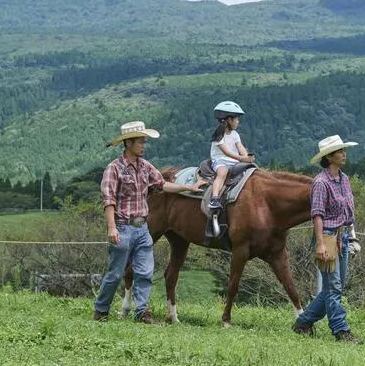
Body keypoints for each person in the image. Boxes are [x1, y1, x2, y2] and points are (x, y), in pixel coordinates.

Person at [94, 121, 204, 323]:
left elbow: (162, 185)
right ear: (128, 143)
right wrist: (111, 227)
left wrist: (190, 188)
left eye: (145, 142)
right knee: (116, 273)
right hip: (122, 226)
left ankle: (142, 312)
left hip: (142, 227)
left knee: (144, 272)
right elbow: (108, 200)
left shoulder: (145, 167)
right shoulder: (114, 169)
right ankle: (101, 310)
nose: (144, 146)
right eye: (140, 142)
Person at [293, 135, 363, 343]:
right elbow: (317, 214)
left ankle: (304, 322)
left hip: (342, 236)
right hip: (328, 237)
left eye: (343, 151)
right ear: (329, 157)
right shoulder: (321, 183)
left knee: (335, 287)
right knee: (334, 288)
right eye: (340, 152)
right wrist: (321, 243)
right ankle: (341, 331)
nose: (344, 154)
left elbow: (348, 213)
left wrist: (352, 237)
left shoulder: (345, 179)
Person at [208, 101, 254, 210]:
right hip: (220, 161)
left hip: (234, 161)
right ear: (229, 120)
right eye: (237, 119)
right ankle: (214, 199)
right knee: (222, 173)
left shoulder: (235, 134)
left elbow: (240, 147)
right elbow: (226, 152)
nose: (238, 122)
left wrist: (247, 157)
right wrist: (242, 158)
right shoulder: (218, 136)